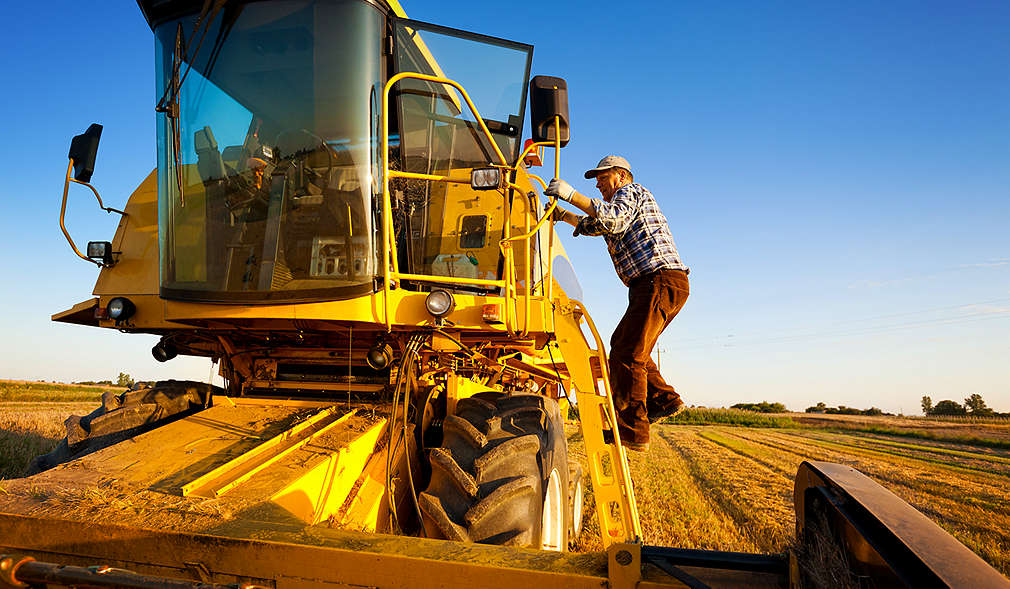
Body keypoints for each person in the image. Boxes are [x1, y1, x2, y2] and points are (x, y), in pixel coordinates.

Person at [545, 155, 689, 452]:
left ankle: (634, 431)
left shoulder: (631, 193)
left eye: (602, 177)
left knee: (627, 352)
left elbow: (612, 219)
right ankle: (665, 400)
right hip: (654, 284)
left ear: (621, 176)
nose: (598, 183)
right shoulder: (621, 202)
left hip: (657, 280)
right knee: (626, 345)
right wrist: (564, 216)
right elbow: (597, 226)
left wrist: (571, 195)